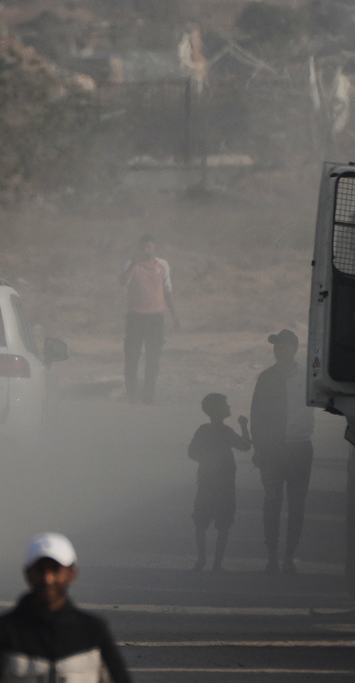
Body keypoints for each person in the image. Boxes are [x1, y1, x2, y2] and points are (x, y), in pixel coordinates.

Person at [0, 532, 131, 683]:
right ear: (27, 574)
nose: (48, 578)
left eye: (55, 569)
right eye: (40, 570)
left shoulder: (93, 630)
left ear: (72, 574)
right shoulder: (2, 631)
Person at [249, 329, 316, 575]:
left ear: (294, 349)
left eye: (284, 347)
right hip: (273, 449)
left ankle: (289, 556)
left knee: (296, 505)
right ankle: (272, 556)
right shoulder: (266, 377)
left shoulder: (309, 376)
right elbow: (256, 415)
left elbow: (321, 375)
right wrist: (259, 447)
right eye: (276, 348)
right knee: (272, 502)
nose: (279, 351)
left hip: (300, 448)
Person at [188, 392, 252, 572]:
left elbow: (191, 452)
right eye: (226, 405)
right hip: (224, 483)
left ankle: (201, 560)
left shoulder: (203, 430)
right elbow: (245, 446)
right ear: (218, 410)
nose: (229, 408)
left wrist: (206, 461)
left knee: (201, 521)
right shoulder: (225, 431)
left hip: (207, 481)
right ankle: (217, 563)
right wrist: (244, 426)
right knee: (223, 523)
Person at [119, 234, 179, 404]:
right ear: (139, 248)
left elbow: (168, 290)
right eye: (143, 247)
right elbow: (122, 282)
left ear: (154, 248)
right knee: (132, 356)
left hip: (155, 318)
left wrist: (175, 316)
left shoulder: (162, 265)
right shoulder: (131, 263)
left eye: (149, 247)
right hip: (135, 318)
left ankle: (149, 395)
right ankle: (131, 394)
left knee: (153, 358)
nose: (146, 250)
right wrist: (132, 264)